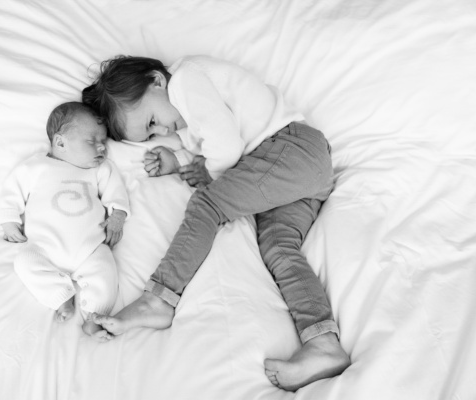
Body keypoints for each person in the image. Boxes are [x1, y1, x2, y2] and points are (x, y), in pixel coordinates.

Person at [82, 55, 350, 390]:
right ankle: (324, 344)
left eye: (152, 120)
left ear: (157, 80)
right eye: (152, 134)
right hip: (297, 171)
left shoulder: (186, 80)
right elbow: (207, 141)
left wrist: (204, 170)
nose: (163, 130)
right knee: (279, 247)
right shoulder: (184, 111)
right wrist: (178, 160)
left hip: (288, 148)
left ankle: (160, 298)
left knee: (207, 205)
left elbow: (225, 145)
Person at [0, 102, 129, 341]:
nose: (101, 147)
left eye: (103, 142)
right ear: (60, 143)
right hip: (45, 247)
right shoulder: (37, 166)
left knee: (105, 267)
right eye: (92, 141)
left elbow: (115, 191)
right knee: (24, 261)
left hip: (90, 247)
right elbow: (12, 190)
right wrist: (9, 220)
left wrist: (117, 215)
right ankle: (60, 296)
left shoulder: (100, 169)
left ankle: (95, 317)